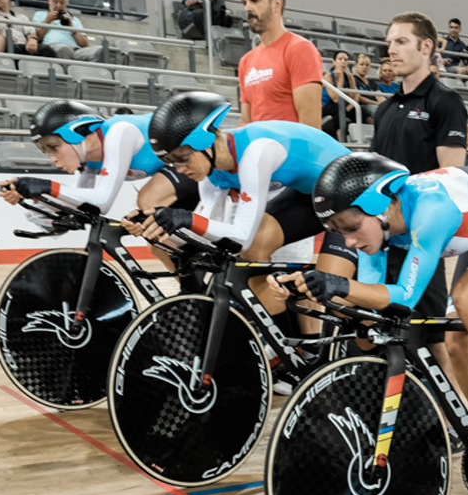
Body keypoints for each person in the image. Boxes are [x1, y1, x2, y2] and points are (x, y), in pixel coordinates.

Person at [279, 153, 468, 442]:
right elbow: (372, 306)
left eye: (352, 228)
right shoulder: (379, 225)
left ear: (381, 208)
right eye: (339, 233)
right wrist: (309, 289)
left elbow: (404, 298)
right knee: (457, 339)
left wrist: (339, 284)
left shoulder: (431, 211)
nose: (349, 242)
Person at [136, 92, 358, 390]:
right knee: (252, 257)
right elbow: (212, 234)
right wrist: (159, 224)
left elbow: (237, 232)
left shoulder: (256, 152)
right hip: (312, 193)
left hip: (351, 195)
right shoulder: (215, 170)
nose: (178, 169)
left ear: (205, 142)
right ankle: (290, 351)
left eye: (181, 158)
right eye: (171, 162)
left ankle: (320, 353)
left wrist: (184, 219)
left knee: (334, 290)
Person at [369, 11, 468, 414]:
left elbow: (452, 178)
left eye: (400, 42)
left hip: (421, 240)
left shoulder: (445, 102)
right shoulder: (385, 108)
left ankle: (456, 414)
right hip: (381, 236)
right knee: (382, 327)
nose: (390, 49)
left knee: (432, 338)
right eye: (389, 42)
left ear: (426, 47)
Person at [0, 99, 202, 291]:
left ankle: (198, 264)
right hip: (178, 175)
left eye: (54, 148)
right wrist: (30, 198)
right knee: (158, 244)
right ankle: (195, 294)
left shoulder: (118, 132)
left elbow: (102, 202)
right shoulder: (87, 160)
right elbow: (82, 205)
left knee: (148, 203)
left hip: (197, 160)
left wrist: (44, 186)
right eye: (46, 151)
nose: (52, 159)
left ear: (77, 134)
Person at [237, 0, 322, 128]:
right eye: (245, 3)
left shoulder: (300, 49)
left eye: (255, 0)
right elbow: (247, 124)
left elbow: (311, 128)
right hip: (258, 149)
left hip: (291, 149)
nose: (247, 8)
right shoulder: (245, 62)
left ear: (276, 4)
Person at [31, 0, 102, 61]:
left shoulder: (74, 20)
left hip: (75, 51)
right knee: (63, 48)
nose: (58, 5)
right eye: (55, 2)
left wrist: (71, 28)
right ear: (49, 1)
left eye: (62, 2)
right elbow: (37, 37)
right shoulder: (40, 15)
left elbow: (85, 45)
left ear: (66, 4)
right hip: (54, 49)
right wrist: (47, 21)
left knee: (99, 50)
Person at [321, 50, 360, 140]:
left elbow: (355, 97)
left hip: (342, 106)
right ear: (334, 62)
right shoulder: (328, 76)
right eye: (340, 59)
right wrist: (340, 79)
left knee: (362, 111)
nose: (343, 62)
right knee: (338, 108)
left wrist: (348, 108)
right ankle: (341, 140)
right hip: (325, 106)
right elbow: (335, 98)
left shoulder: (350, 77)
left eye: (345, 60)